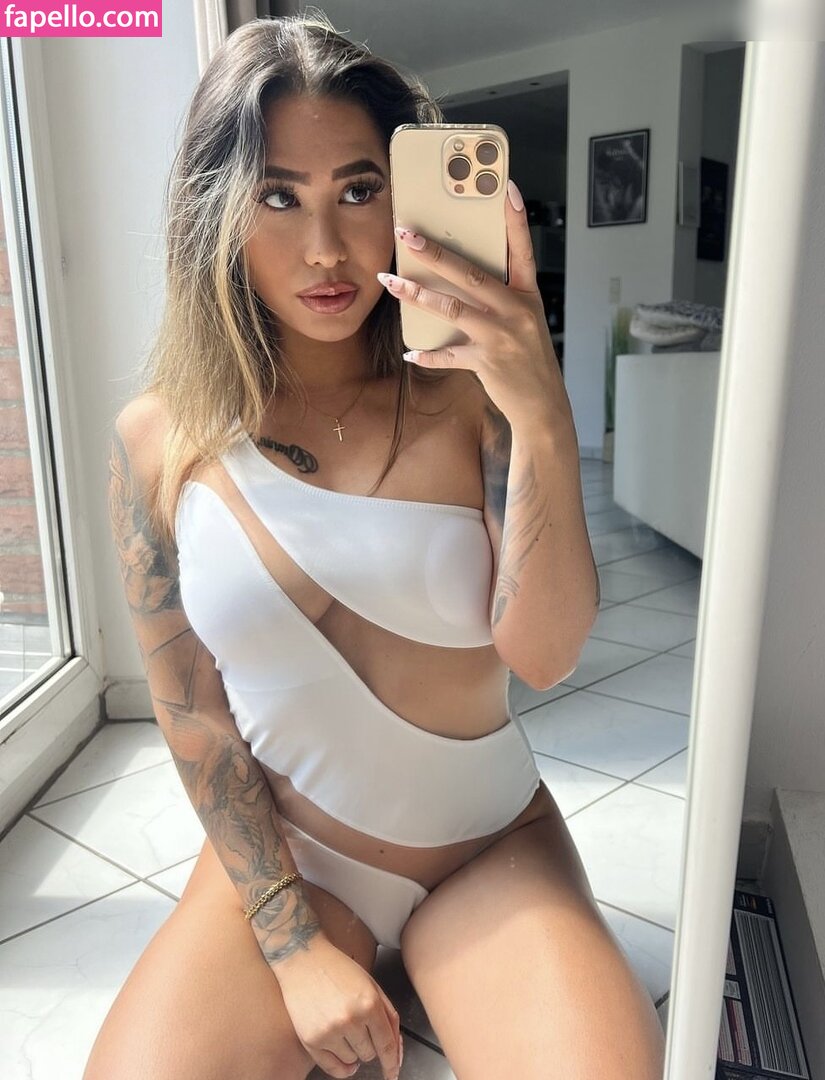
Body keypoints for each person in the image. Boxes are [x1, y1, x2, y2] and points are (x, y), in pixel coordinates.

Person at [88, 11, 666, 1080]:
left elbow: (543, 654)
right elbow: (194, 714)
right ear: (215, 213)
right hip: (297, 864)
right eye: (278, 197)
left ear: (404, 198)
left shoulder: (471, 399)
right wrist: (290, 944)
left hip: (487, 847)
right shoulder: (157, 440)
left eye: (359, 190)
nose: (325, 247)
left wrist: (541, 410)